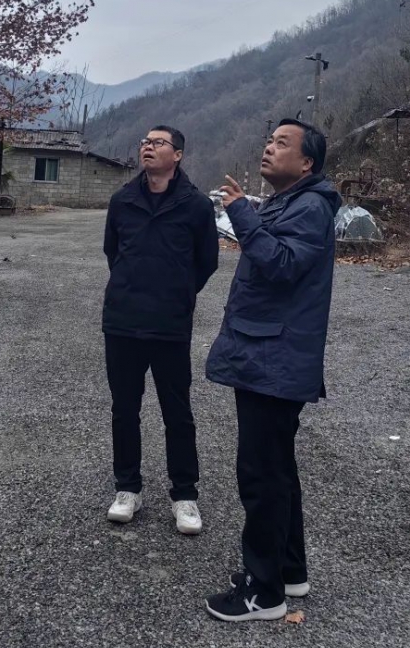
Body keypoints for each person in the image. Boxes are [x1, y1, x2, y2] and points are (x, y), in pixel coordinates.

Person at [204, 118, 340, 621]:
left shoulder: (309, 207)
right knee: (278, 468)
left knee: (261, 473)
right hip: (269, 354)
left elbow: (280, 264)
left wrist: (241, 212)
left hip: (274, 359)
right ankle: (289, 570)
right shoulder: (291, 201)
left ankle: (263, 593)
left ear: (306, 163)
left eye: (282, 143)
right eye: (269, 140)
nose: (269, 148)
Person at [101, 125, 219, 534]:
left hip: (170, 325)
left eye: (158, 143)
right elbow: (113, 252)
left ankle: (184, 496)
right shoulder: (123, 200)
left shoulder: (196, 206)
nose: (148, 148)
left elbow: (206, 262)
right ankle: (127, 489)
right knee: (124, 409)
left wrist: (178, 293)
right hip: (122, 322)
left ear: (178, 155)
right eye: (145, 142)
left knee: (177, 412)